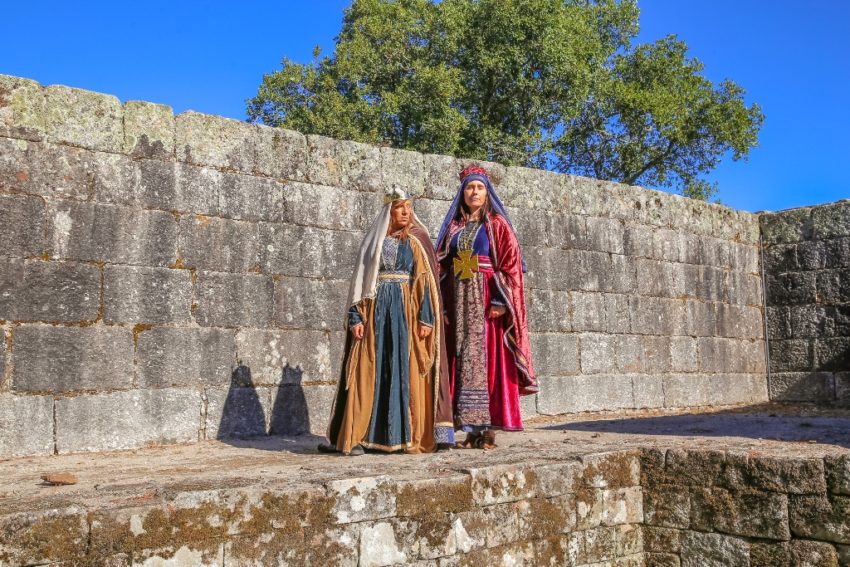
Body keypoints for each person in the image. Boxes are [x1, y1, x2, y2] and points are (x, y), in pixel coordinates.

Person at [321, 188, 453, 455]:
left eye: (408, 207)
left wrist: (426, 317)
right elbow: (360, 283)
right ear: (389, 212)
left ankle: (405, 436)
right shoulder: (374, 243)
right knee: (369, 369)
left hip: (406, 312)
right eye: (400, 207)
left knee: (404, 369)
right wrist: (355, 316)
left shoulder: (415, 242)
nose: (406, 212)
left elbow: (424, 282)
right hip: (376, 313)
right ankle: (361, 436)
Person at [435, 165, 538, 449]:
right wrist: (442, 306)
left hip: (486, 302)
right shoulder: (455, 228)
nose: (474, 192)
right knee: (462, 359)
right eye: (470, 188)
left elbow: (510, 265)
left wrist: (499, 300)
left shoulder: (496, 225)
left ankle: (488, 430)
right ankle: (470, 429)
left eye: (479, 187)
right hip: (459, 302)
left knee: (488, 360)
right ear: (463, 193)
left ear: (487, 192)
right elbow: (441, 266)